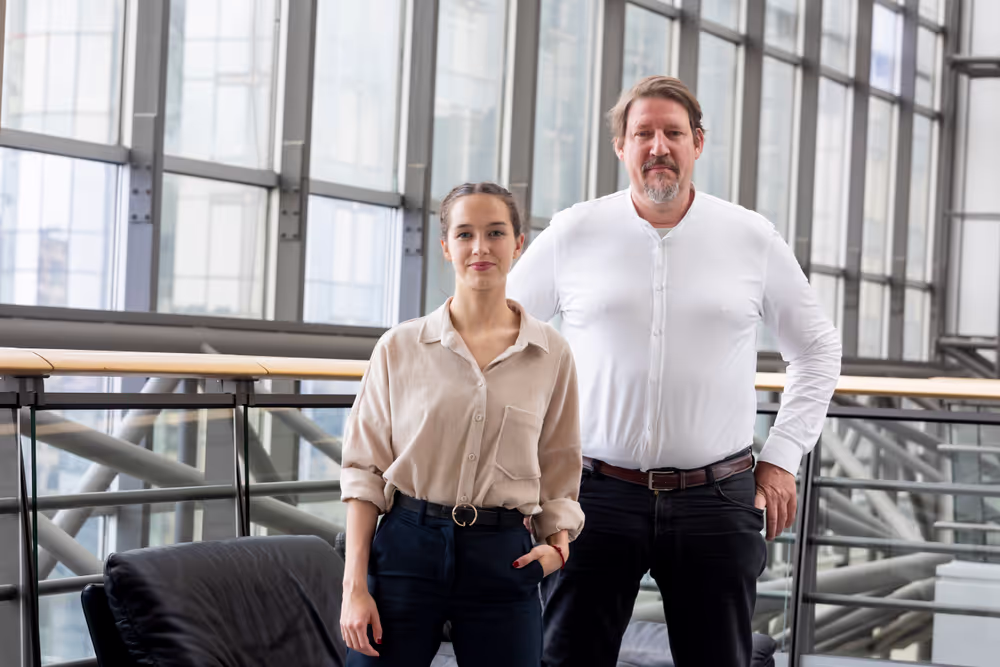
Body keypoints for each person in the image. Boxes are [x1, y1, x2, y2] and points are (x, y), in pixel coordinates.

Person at [507, 75, 842, 667]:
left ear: (698, 144)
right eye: (643, 133)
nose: (658, 146)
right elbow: (502, 340)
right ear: (621, 147)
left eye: (672, 133)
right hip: (592, 498)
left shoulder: (750, 237)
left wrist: (784, 457)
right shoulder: (574, 233)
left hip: (717, 499)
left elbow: (817, 350)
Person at [338, 182, 585, 667]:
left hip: (504, 556)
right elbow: (364, 472)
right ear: (446, 245)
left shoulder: (551, 353)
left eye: (495, 233)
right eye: (465, 233)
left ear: (518, 244)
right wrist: (354, 588)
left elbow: (560, 465)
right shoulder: (399, 347)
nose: (480, 248)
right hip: (407, 548)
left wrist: (558, 548)